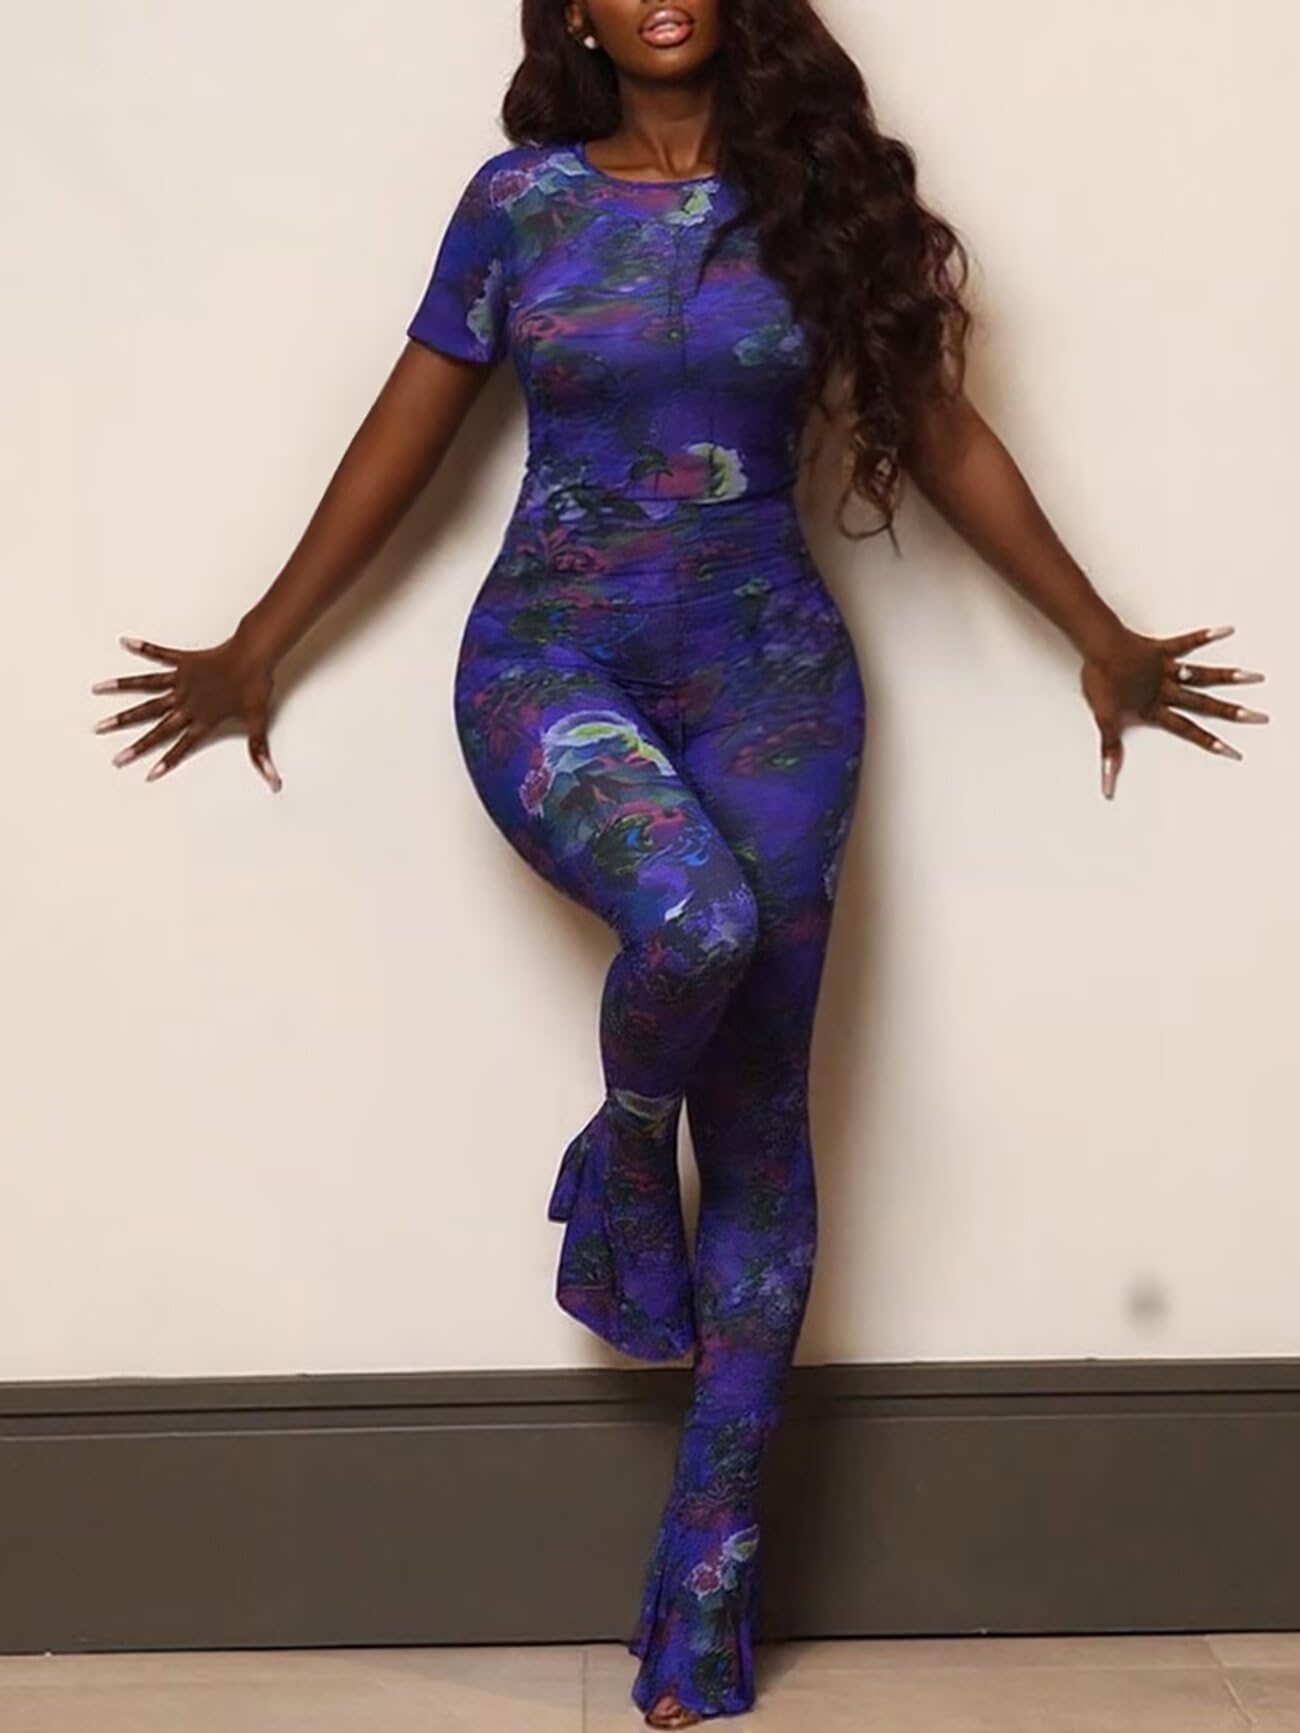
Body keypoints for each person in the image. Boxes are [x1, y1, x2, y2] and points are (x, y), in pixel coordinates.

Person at [90, 1, 1269, 1724]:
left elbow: (941, 432)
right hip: (552, 655)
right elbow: (405, 426)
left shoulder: (811, 196)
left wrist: (1098, 634)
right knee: (696, 923)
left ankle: (709, 1572)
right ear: (574, 6)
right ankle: (629, 1146)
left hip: (774, 681)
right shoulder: (519, 202)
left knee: (768, 1117)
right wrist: (261, 642)